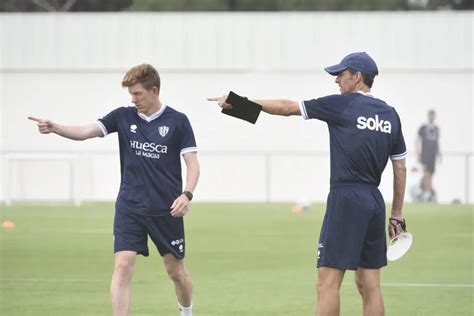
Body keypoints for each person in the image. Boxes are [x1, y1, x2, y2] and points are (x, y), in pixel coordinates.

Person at [208, 52, 407, 316]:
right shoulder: (391, 115)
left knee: (327, 284)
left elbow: (287, 106)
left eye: (341, 74)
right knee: (370, 285)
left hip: (346, 198)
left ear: (357, 77)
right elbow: (400, 167)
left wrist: (238, 103)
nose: (336, 81)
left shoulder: (342, 104)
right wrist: (397, 215)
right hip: (375, 202)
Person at [29, 64, 199, 316]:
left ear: (154, 91)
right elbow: (87, 131)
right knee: (123, 265)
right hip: (130, 206)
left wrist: (186, 194)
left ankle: (186, 311)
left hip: (166, 210)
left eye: (138, 94)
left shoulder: (178, 121)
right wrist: (57, 128)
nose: (133, 99)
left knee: (176, 272)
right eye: (130, 94)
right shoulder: (123, 116)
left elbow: (193, 164)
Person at [416, 109, 441, 202]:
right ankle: (427, 192)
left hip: (433, 155)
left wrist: (439, 153)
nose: (432, 117)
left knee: (430, 174)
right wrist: (418, 153)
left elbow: (437, 142)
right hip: (425, 154)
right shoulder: (423, 127)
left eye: (433, 115)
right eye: (430, 115)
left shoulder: (437, 128)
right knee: (426, 173)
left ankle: (429, 192)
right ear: (428, 116)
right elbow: (417, 140)